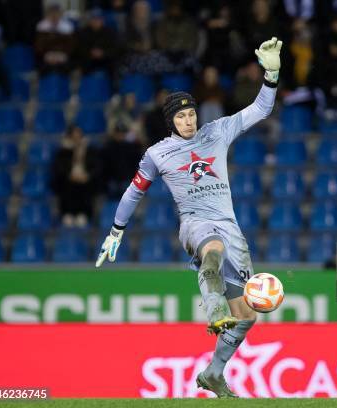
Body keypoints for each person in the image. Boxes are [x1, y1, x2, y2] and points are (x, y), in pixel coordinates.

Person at [95, 37, 283, 397]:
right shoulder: (158, 154)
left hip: (231, 228)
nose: (187, 119)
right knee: (211, 251)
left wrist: (271, 74)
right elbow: (135, 189)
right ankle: (213, 312)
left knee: (246, 316)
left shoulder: (217, 132)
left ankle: (214, 372)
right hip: (195, 225)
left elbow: (259, 110)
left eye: (191, 113)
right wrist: (116, 230)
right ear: (171, 121)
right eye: (180, 116)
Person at [51, 125, 100, 227]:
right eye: (74, 136)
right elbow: (59, 168)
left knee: (87, 188)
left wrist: (87, 175)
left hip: (86, 182)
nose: (77, 139)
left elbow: (96, 167)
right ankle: (67, 214)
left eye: (78, 136)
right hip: (68, 182)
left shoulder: (90, 151)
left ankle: (84, 214)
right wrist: (70, 175)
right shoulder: (63, 152)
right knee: (67, 187)